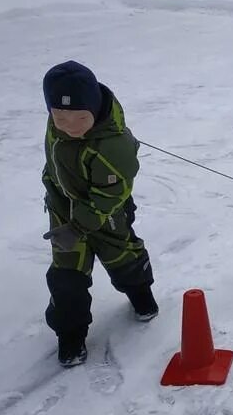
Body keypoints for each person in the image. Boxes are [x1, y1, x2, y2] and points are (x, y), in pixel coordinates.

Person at [41, 61, 158, 368]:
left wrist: (79, 225)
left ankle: (141, 295)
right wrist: (54, 198)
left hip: (107, 214)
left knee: (123, 257)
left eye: (80, 117)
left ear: (94, 108)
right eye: (60, 116)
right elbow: (54, 166)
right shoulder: (57, 128)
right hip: (65, 214)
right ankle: (70, 335)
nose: (69, 125)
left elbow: (110, 194)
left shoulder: (112, 145)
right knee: (67, 278)